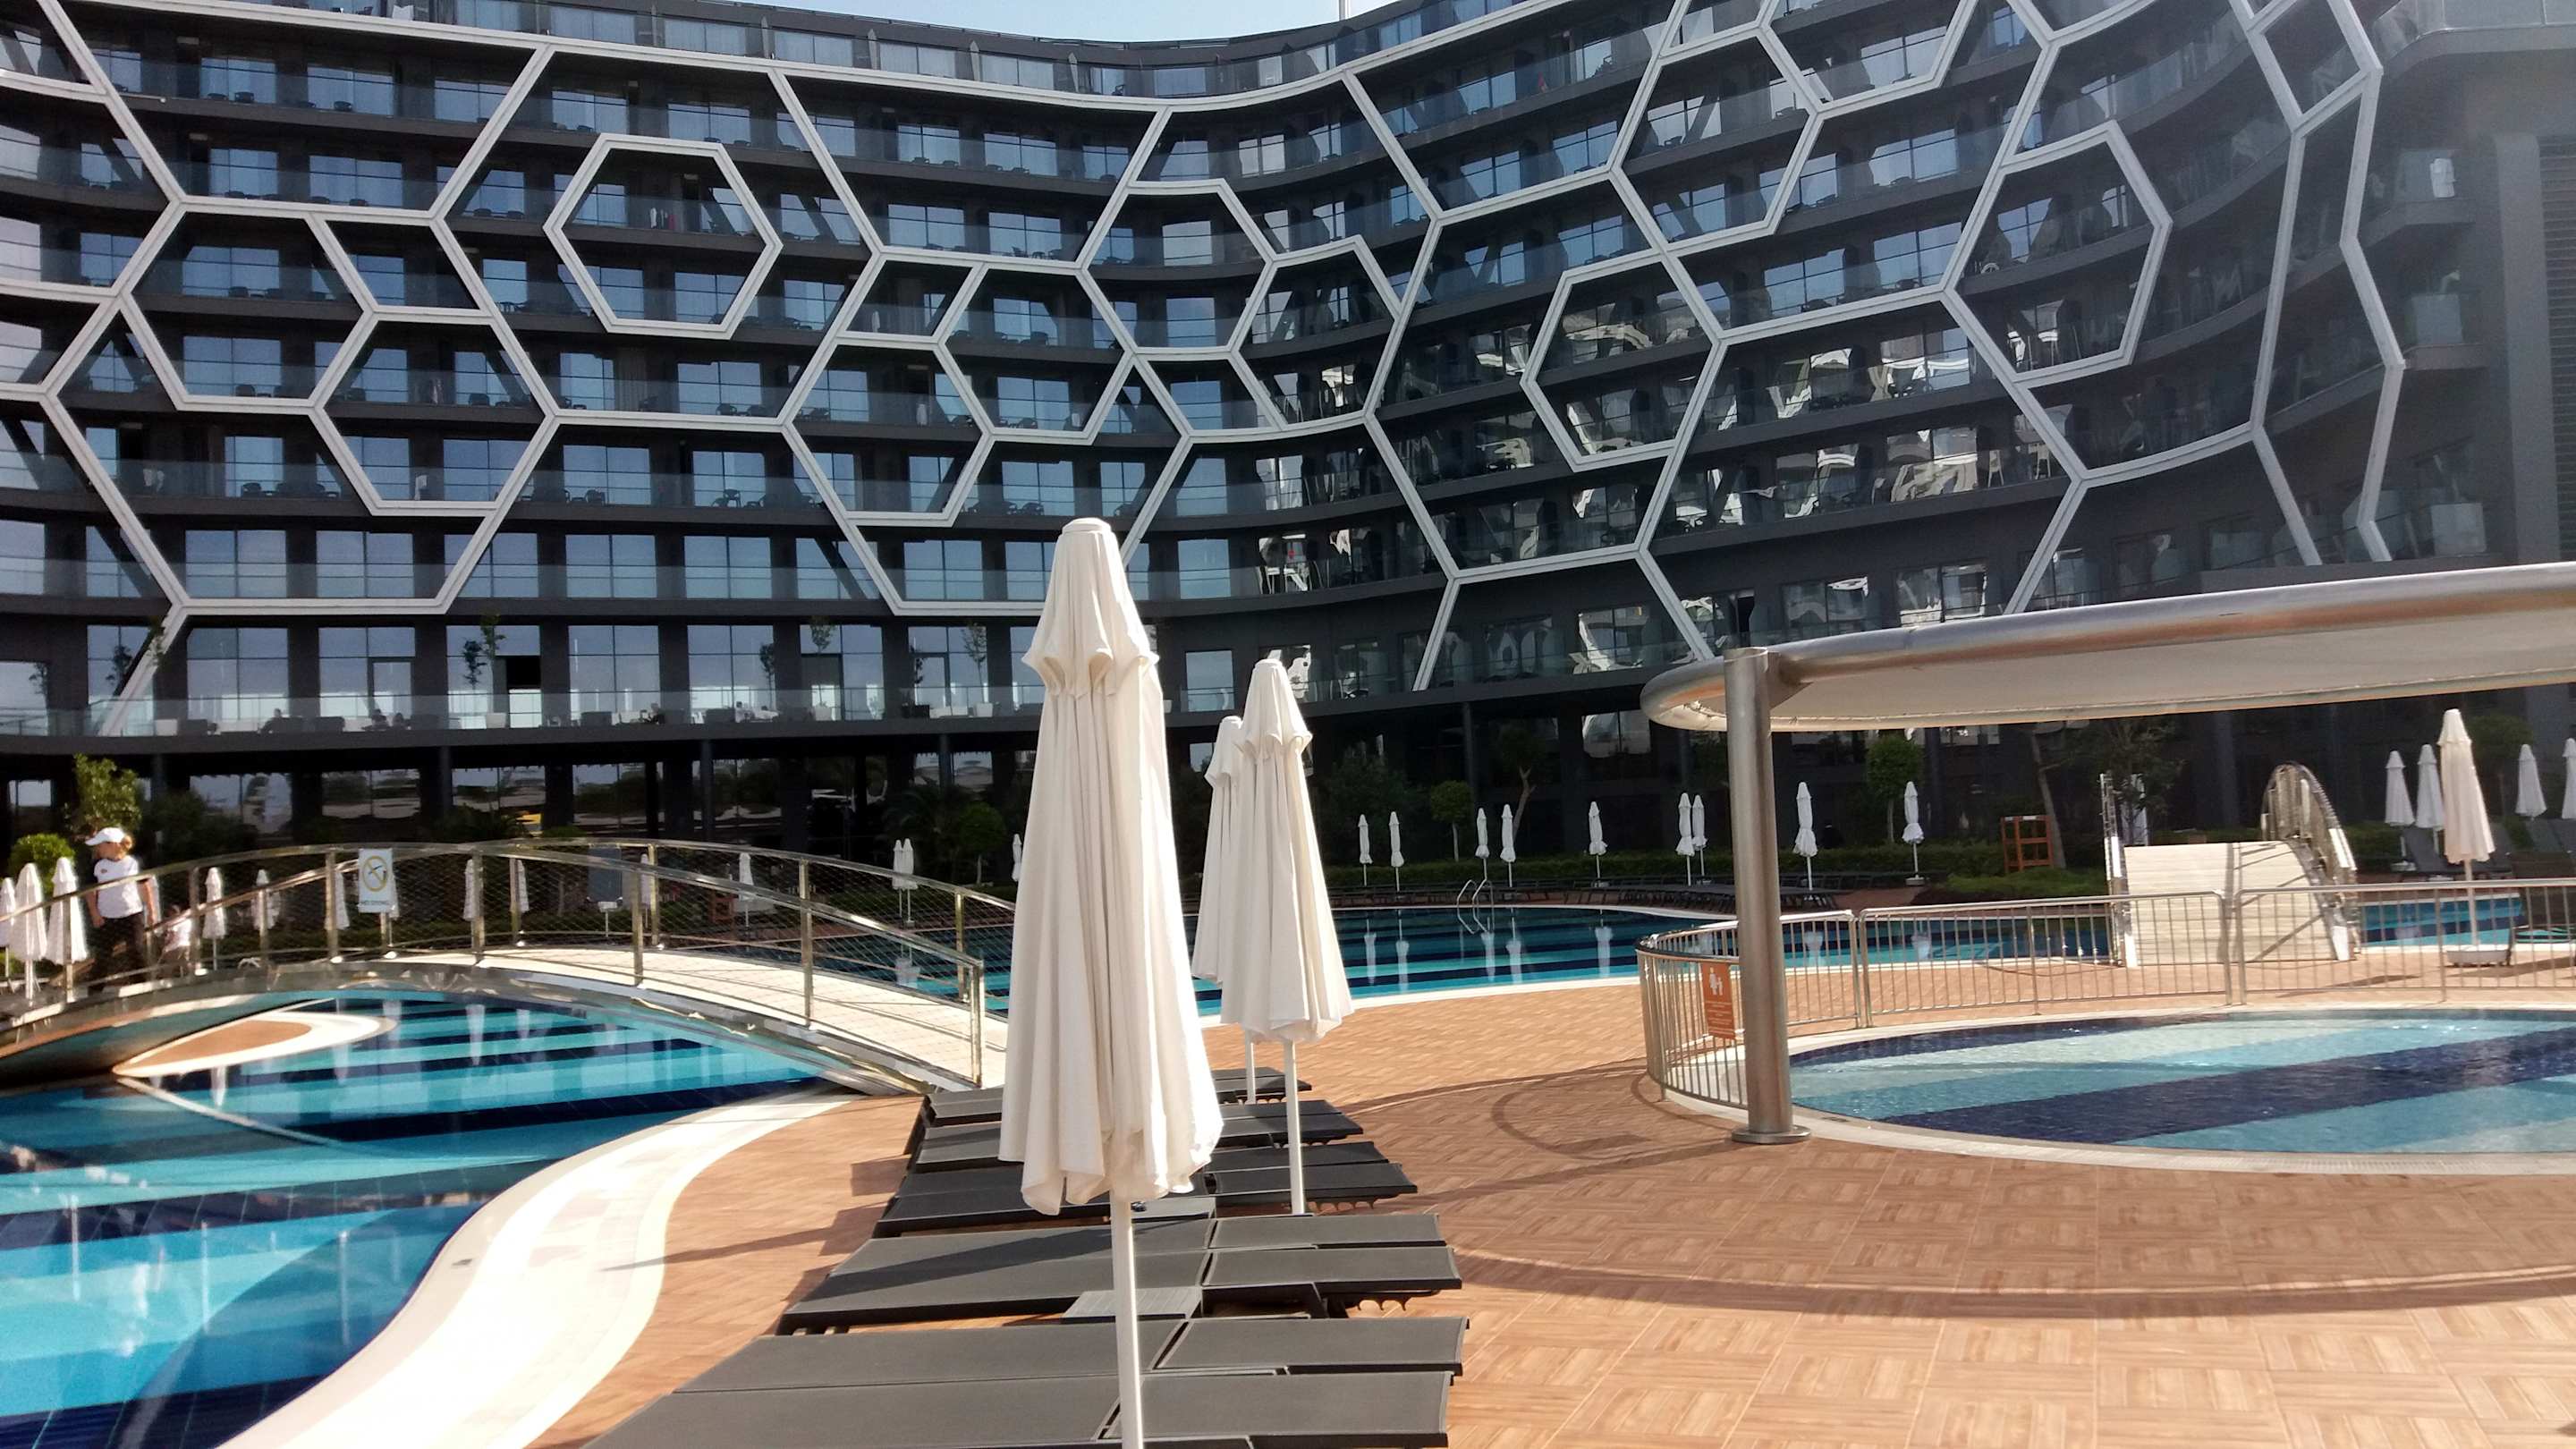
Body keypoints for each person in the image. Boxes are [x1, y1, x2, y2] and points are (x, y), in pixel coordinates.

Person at [87, 827, 156, 978]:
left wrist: (151, 911)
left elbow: (144, 886)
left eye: (100, 845)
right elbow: (90, 891)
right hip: (107, 916)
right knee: (103, 956)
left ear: (112, 844)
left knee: (136, 950)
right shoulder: (97, 865)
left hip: (132, 914)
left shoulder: (134, 863)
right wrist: (94, 913)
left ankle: (141, 984)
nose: (98, 849)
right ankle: (95, 989)